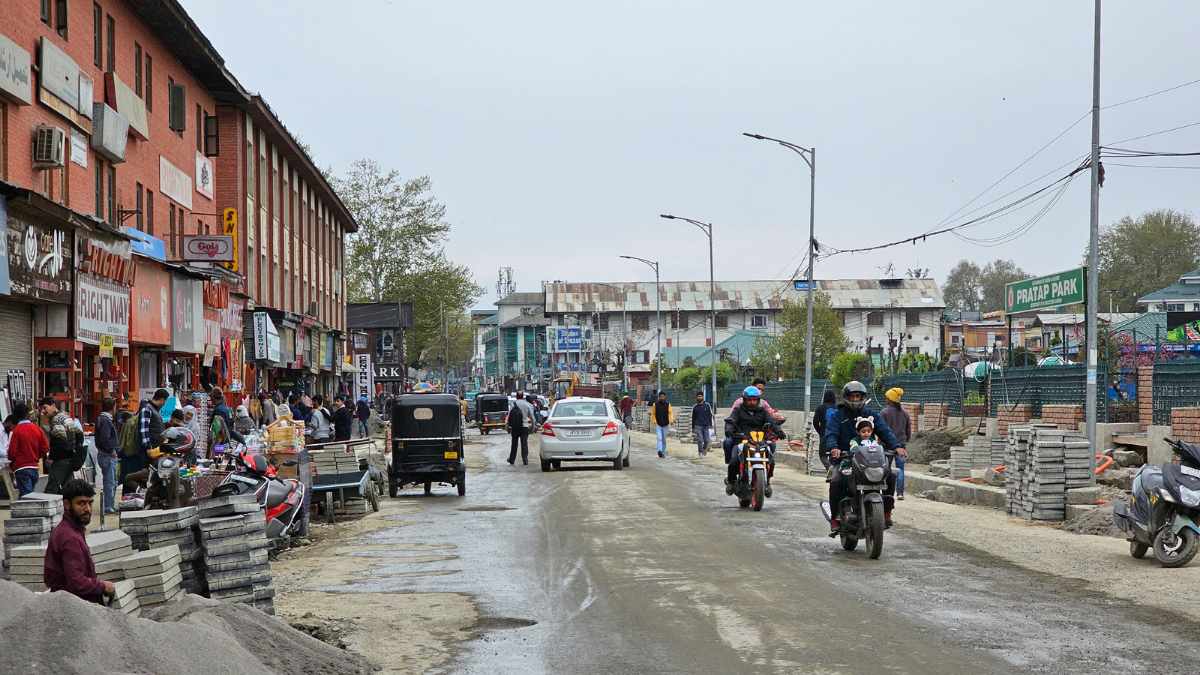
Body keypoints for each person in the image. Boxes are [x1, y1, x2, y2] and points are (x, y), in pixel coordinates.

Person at [823, 381, 906, 531]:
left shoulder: (871, 415)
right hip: (845, 458)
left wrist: (897, 446)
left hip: (868, 460)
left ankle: (886, 511)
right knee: (836, 480)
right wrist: (833, 447)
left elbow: (885, 431)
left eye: (858, 396)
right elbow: (831, 434)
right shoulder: (837, 415)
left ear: (863, 398)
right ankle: (835, 517)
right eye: (853, 396)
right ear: (846, 397)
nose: (856, 400)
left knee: (892, 474)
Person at [44, 478, 115, 604]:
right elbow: (77, 583)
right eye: (81, 503)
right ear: (67, 504)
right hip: (74, 607)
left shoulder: (70, 529)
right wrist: (103, 586)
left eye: (90, 503)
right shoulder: (69, 537)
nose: (87, 509)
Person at [723, 386, 786, 494]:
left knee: (771, 457)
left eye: (754, 400)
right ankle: (731, 481)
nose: (752, 402)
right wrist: (729, 429)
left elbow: (771, 422)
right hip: (742, 440)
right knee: (734, 461)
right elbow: (731, 421)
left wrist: (779, 431)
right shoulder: (738, 411)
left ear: (758, 400)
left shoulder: (763, 412)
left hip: (760, 441)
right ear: (744, 399)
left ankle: (767, 482)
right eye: (749, 400)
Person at [8, 402, 48, 496]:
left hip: (21, 469)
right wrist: (36, 456)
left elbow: (11, 453)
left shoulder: (16, 431)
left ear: (16, 416)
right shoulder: (37, 429)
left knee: (27, 499)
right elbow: (45, 448)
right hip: (34, 468)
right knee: (29, 495)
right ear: (27, 414)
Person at [879, 387, 911, 500]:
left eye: (887, 398)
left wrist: (878, 441)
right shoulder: (905, 413)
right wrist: (905, 441)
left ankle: (885, 491)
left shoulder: (884, 412)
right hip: (901, 445)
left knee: (885, 468)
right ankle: (900, 493)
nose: (885, 399)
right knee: (900, 469)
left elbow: (880, 429)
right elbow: (908, 430)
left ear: (890, 400)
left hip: (886, 445)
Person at [39, 398, 76, 494]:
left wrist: (51, 457)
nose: (43, 412)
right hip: (70, 457)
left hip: (61, 459)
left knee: (51, 489)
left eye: (44, 408)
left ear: (53, 405)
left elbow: (60, 442)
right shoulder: (65, 416)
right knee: (68, 489)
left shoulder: (56, 420)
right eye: (41, 410)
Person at [94, 398, 120, 515]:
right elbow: (105, 439)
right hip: (107, 455)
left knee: (111, 481)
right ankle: (108, 506)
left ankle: (109, 505)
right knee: (110, 482)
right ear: (113, 407)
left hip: (104, 454)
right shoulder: (105, 420)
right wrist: (111, 450)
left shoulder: (102, 419)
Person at [506, 392, 535, 465]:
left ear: (516, 397)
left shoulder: (513, 404)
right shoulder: (526, 404)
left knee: (514, 444)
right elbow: (532, 417)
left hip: (515, 427)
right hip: (524, 427)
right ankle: (525, 460)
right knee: (524, 444)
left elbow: (509, 415)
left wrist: (507, 426)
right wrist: (533, 427)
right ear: (522, 397)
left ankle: (512, 459)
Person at [649, 391, 674, 459]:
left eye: (663, 397)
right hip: (658, 424)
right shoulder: (655, 404)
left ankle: (663, 452)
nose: (662, 398)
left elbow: (670, 413)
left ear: (665, 397)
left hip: (666, 424)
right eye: (661, 397)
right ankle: (659, 451)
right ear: (659, 397)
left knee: (664, 439)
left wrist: (671, 420)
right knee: (659, 438)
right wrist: (654, 421)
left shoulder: (668, 404)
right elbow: (653, 413)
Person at [691, 391, 714, 457]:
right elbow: (693, 418)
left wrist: (710, 425)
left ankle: (704, 450)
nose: (699, 397)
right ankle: (700, 452)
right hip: (698, 425)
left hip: (706, 426)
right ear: (696, 397)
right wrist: (693, 428)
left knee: (707, 440)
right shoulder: (695, 407)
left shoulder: (707, 405)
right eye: (698, 396)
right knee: (700, 439)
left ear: (703, 397)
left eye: (701, 396)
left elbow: (710, 415)